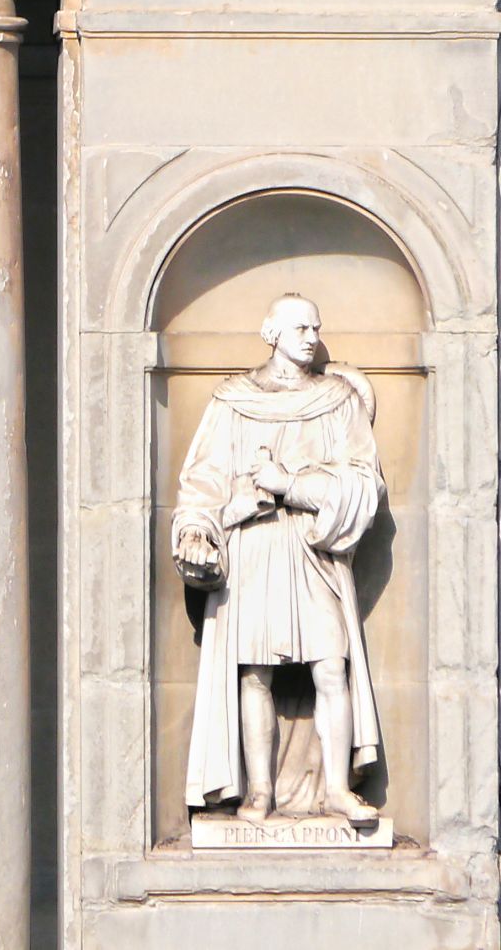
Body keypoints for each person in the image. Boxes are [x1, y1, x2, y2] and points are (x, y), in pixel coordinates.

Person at [172, 294, 382, 825]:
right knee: (254, 673)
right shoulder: (233, 401)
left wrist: (291, 484)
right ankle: (259, 790)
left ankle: (336, 787)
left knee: (332, 666)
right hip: (254, 548)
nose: (311, 337)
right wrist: (200, 527)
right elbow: (202, 481)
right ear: (271, 333)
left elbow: (364, 481)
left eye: (316, 327)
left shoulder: (337, 400)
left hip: (314, 548)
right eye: (299, 328)